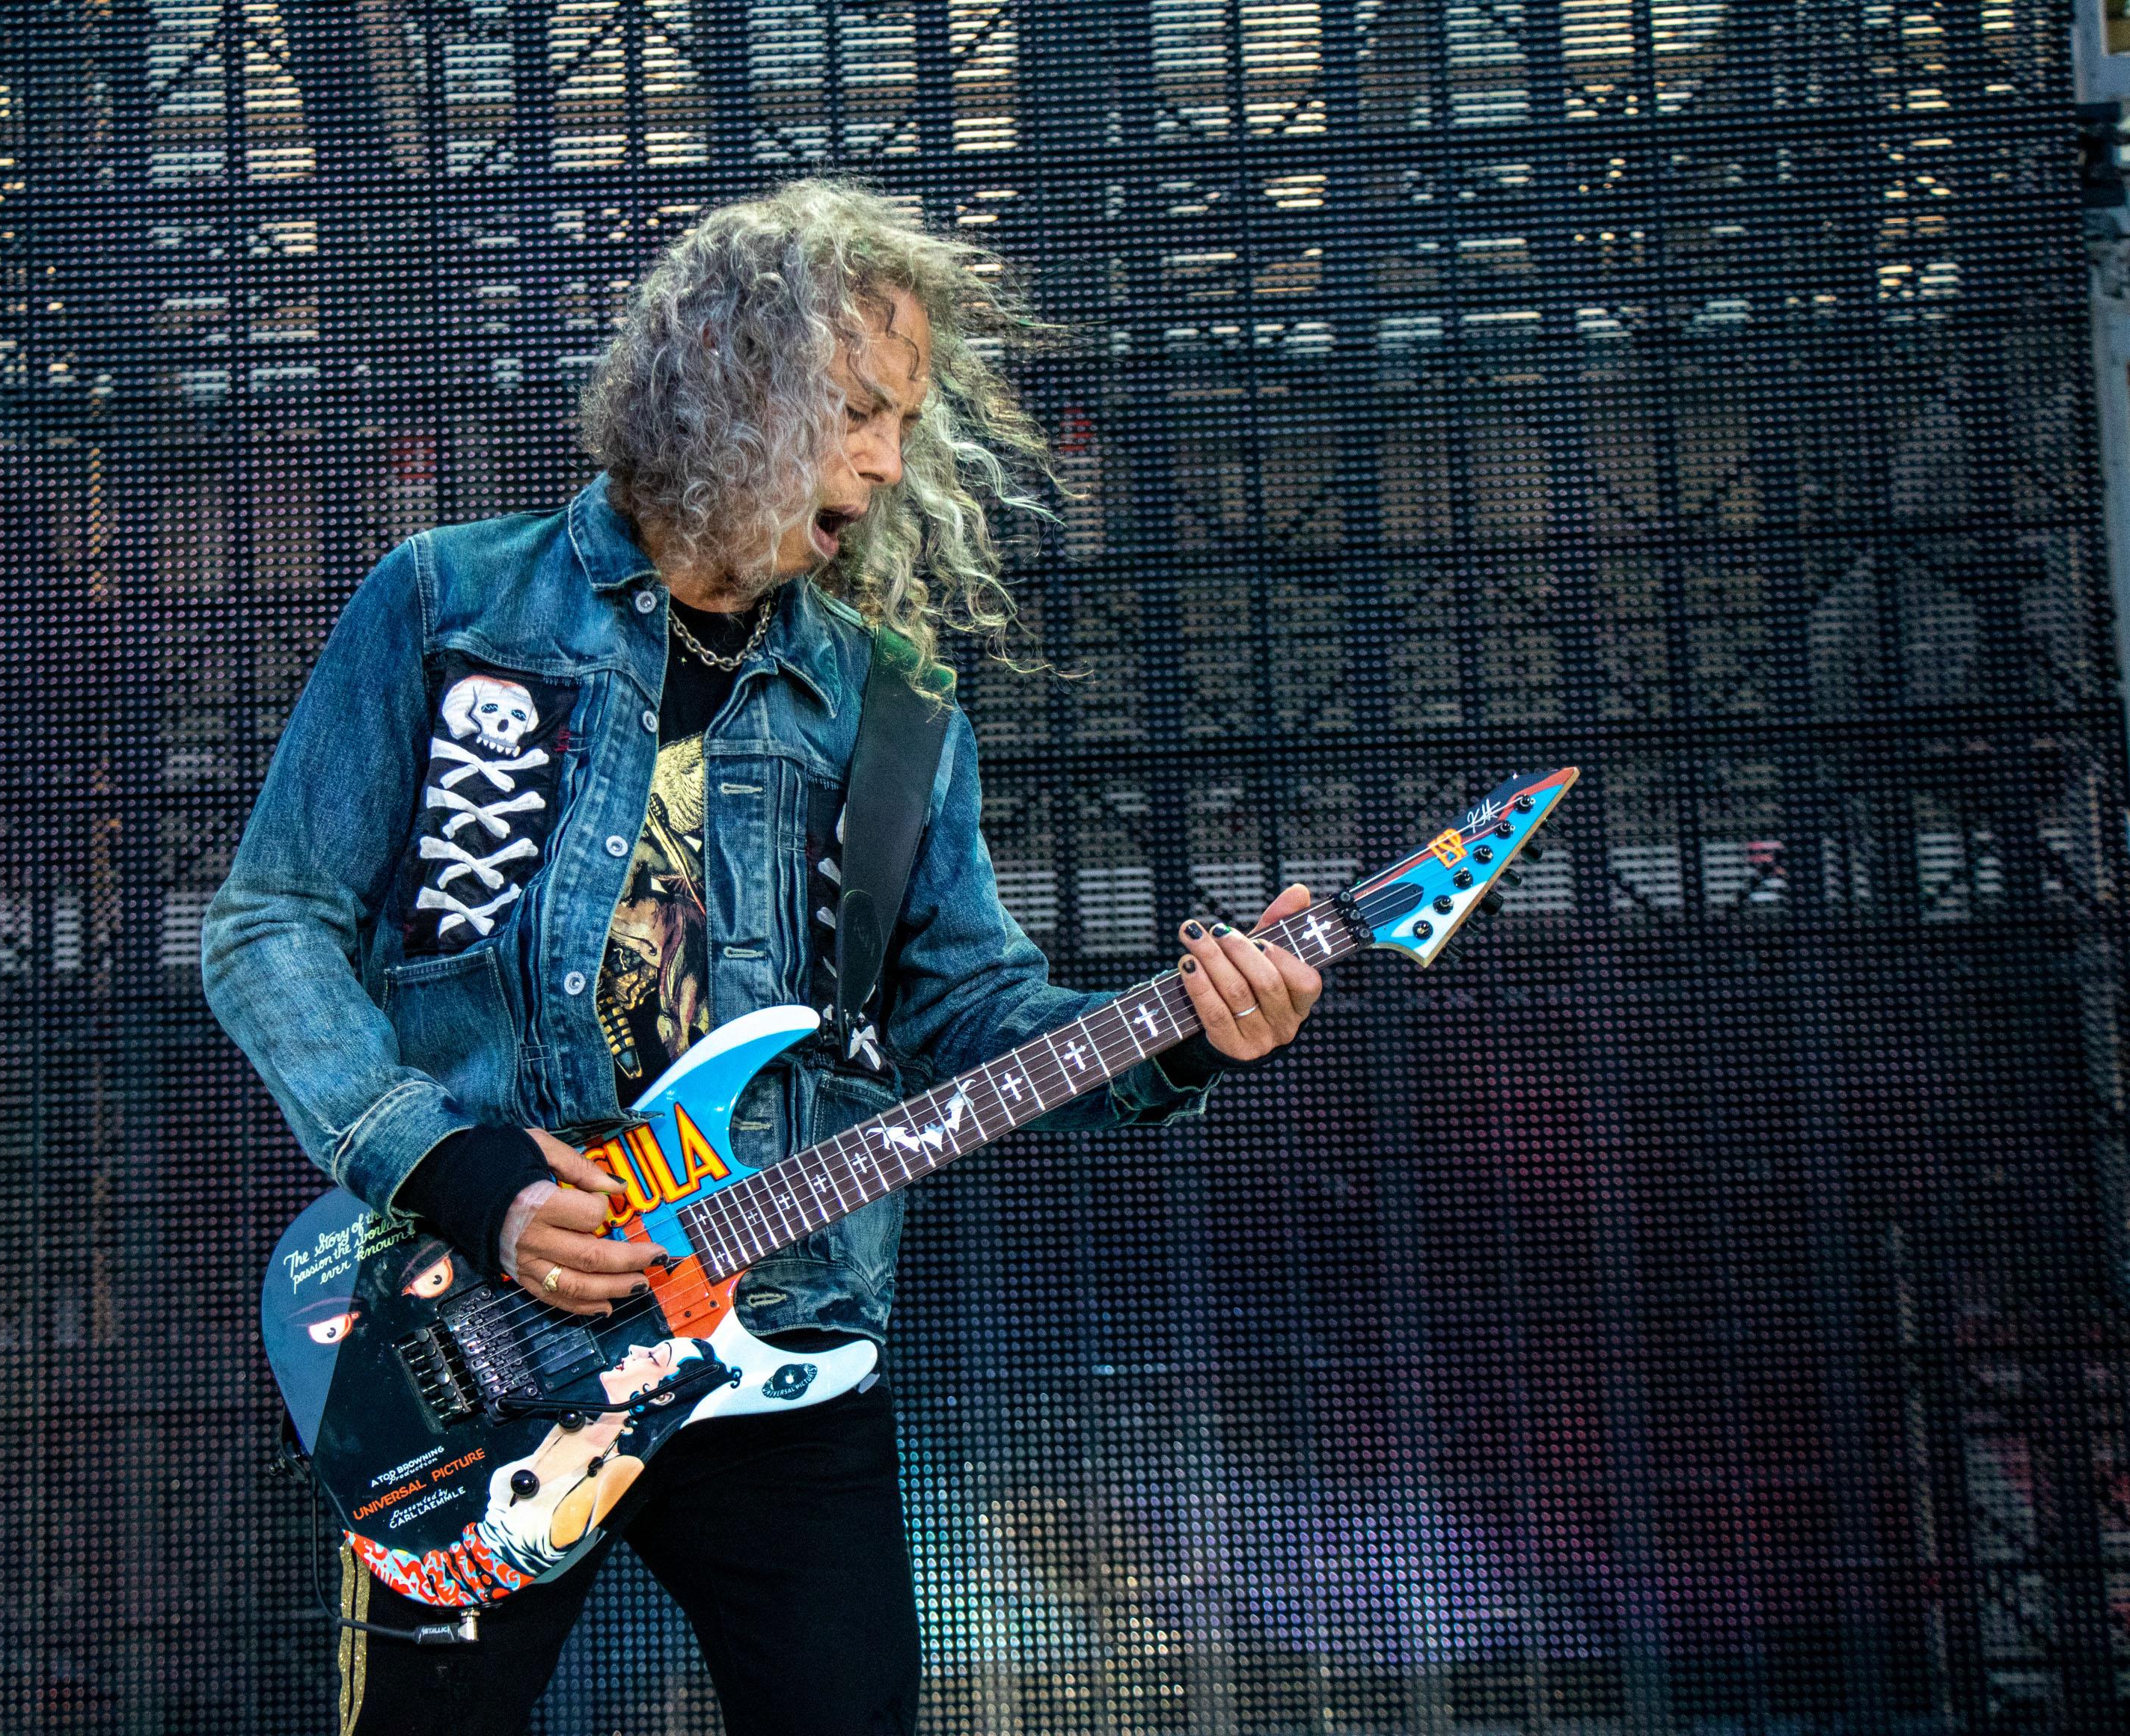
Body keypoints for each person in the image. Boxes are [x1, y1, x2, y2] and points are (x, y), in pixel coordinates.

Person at [201, 177, 1322, 1736]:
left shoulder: (893, 711)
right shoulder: (453, 607)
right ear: (730, 377)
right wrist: (455, 1167)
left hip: (780, 1331)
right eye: (858, 410)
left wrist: (1187, 1030)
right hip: (474, 1337)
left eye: (903, 424)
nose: (888, 460)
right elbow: (268, 924)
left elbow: (976, 1013)